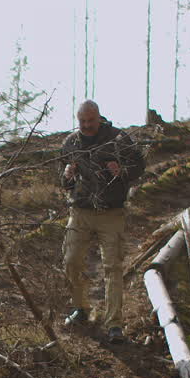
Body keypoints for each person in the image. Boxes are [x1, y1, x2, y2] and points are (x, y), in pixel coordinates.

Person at [59, 99, 138, 344]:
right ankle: (80, 309)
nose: (86, 125)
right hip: (80, 212)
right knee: (71, 261)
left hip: (111, 213)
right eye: (82, 121)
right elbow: (63, 180)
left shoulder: (118, 139)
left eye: (90, 120)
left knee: (113, 268)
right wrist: (67, 177)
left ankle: (114, 324)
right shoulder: (70, 142)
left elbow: (139, 166)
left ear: (99, 117)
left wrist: (122, 171)